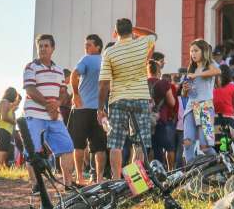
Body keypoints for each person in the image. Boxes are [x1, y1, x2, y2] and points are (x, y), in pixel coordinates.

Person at [98, 19, 157, 178]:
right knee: (139, 143)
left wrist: (100, 109)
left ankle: (116, 180)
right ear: (132, 31)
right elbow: (153, 35)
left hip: (117, 100)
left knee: (115, 143)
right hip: (140, 98)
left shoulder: (109, 52)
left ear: (115, 33)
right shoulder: (142, 43)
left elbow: (103, 84)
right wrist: (135, 29)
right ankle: (135, 182)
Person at [22, 34, 77, 188]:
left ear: (52, 48)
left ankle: (68, 184)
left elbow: (63, 92)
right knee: (32, 151)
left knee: (67, 147)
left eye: (46, 46)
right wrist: (48, 106)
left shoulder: (59, 70)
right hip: (35, 115)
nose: (43, 49)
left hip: (54, 117)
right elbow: (30, 89)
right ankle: (36, 185)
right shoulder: (30, 67)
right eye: (40, 46)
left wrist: (57, 104)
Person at [70, 34, 107, 185]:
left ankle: (79, 177)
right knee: (99, 147)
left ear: (98, 47)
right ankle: (99, 179)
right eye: (85, 45)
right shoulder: (106, 61)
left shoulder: (86, 59)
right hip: (99, 109)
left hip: (81, 108)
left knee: (78, 144)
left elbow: (74, 75)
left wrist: (75, 94)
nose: (86, 47)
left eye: (89, 45)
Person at [180, 39, 219, 162]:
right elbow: (186, 94)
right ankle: (190, 171)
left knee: (205, 145)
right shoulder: (190, 68)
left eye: (196, 50)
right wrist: (185, 89)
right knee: (187, 143)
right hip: (190, 107)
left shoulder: (210, 64)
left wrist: (196, 75)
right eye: (191, 51)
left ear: (204, 51)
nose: (193, 54)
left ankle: (219, 165)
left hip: (205, 107)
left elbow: (217, 71)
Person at [149, 59, 177, 171]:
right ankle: (170, 170)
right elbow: (172, 102)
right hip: (159, 120)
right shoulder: (163, 83)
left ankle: (152, 171)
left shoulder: (143, 82)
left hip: (145, 121)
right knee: (169, 146)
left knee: (152, 147)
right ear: (159, 71)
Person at [212, 66, 234, 150]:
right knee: (229, 147)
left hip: (215, 120)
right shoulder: (233, 87)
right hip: (228, 120)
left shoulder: (213, 88)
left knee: (217, 147)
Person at [0, 87, 19, 170]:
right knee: (2, 153)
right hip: (3, 130)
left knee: (4, 153)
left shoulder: (6, 103)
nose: (15, 98)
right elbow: (3, 117)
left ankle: (0, 171)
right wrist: (14, 122)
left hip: (3, 130)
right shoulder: (5, 102)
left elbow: (9, 110)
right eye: (15, 96)